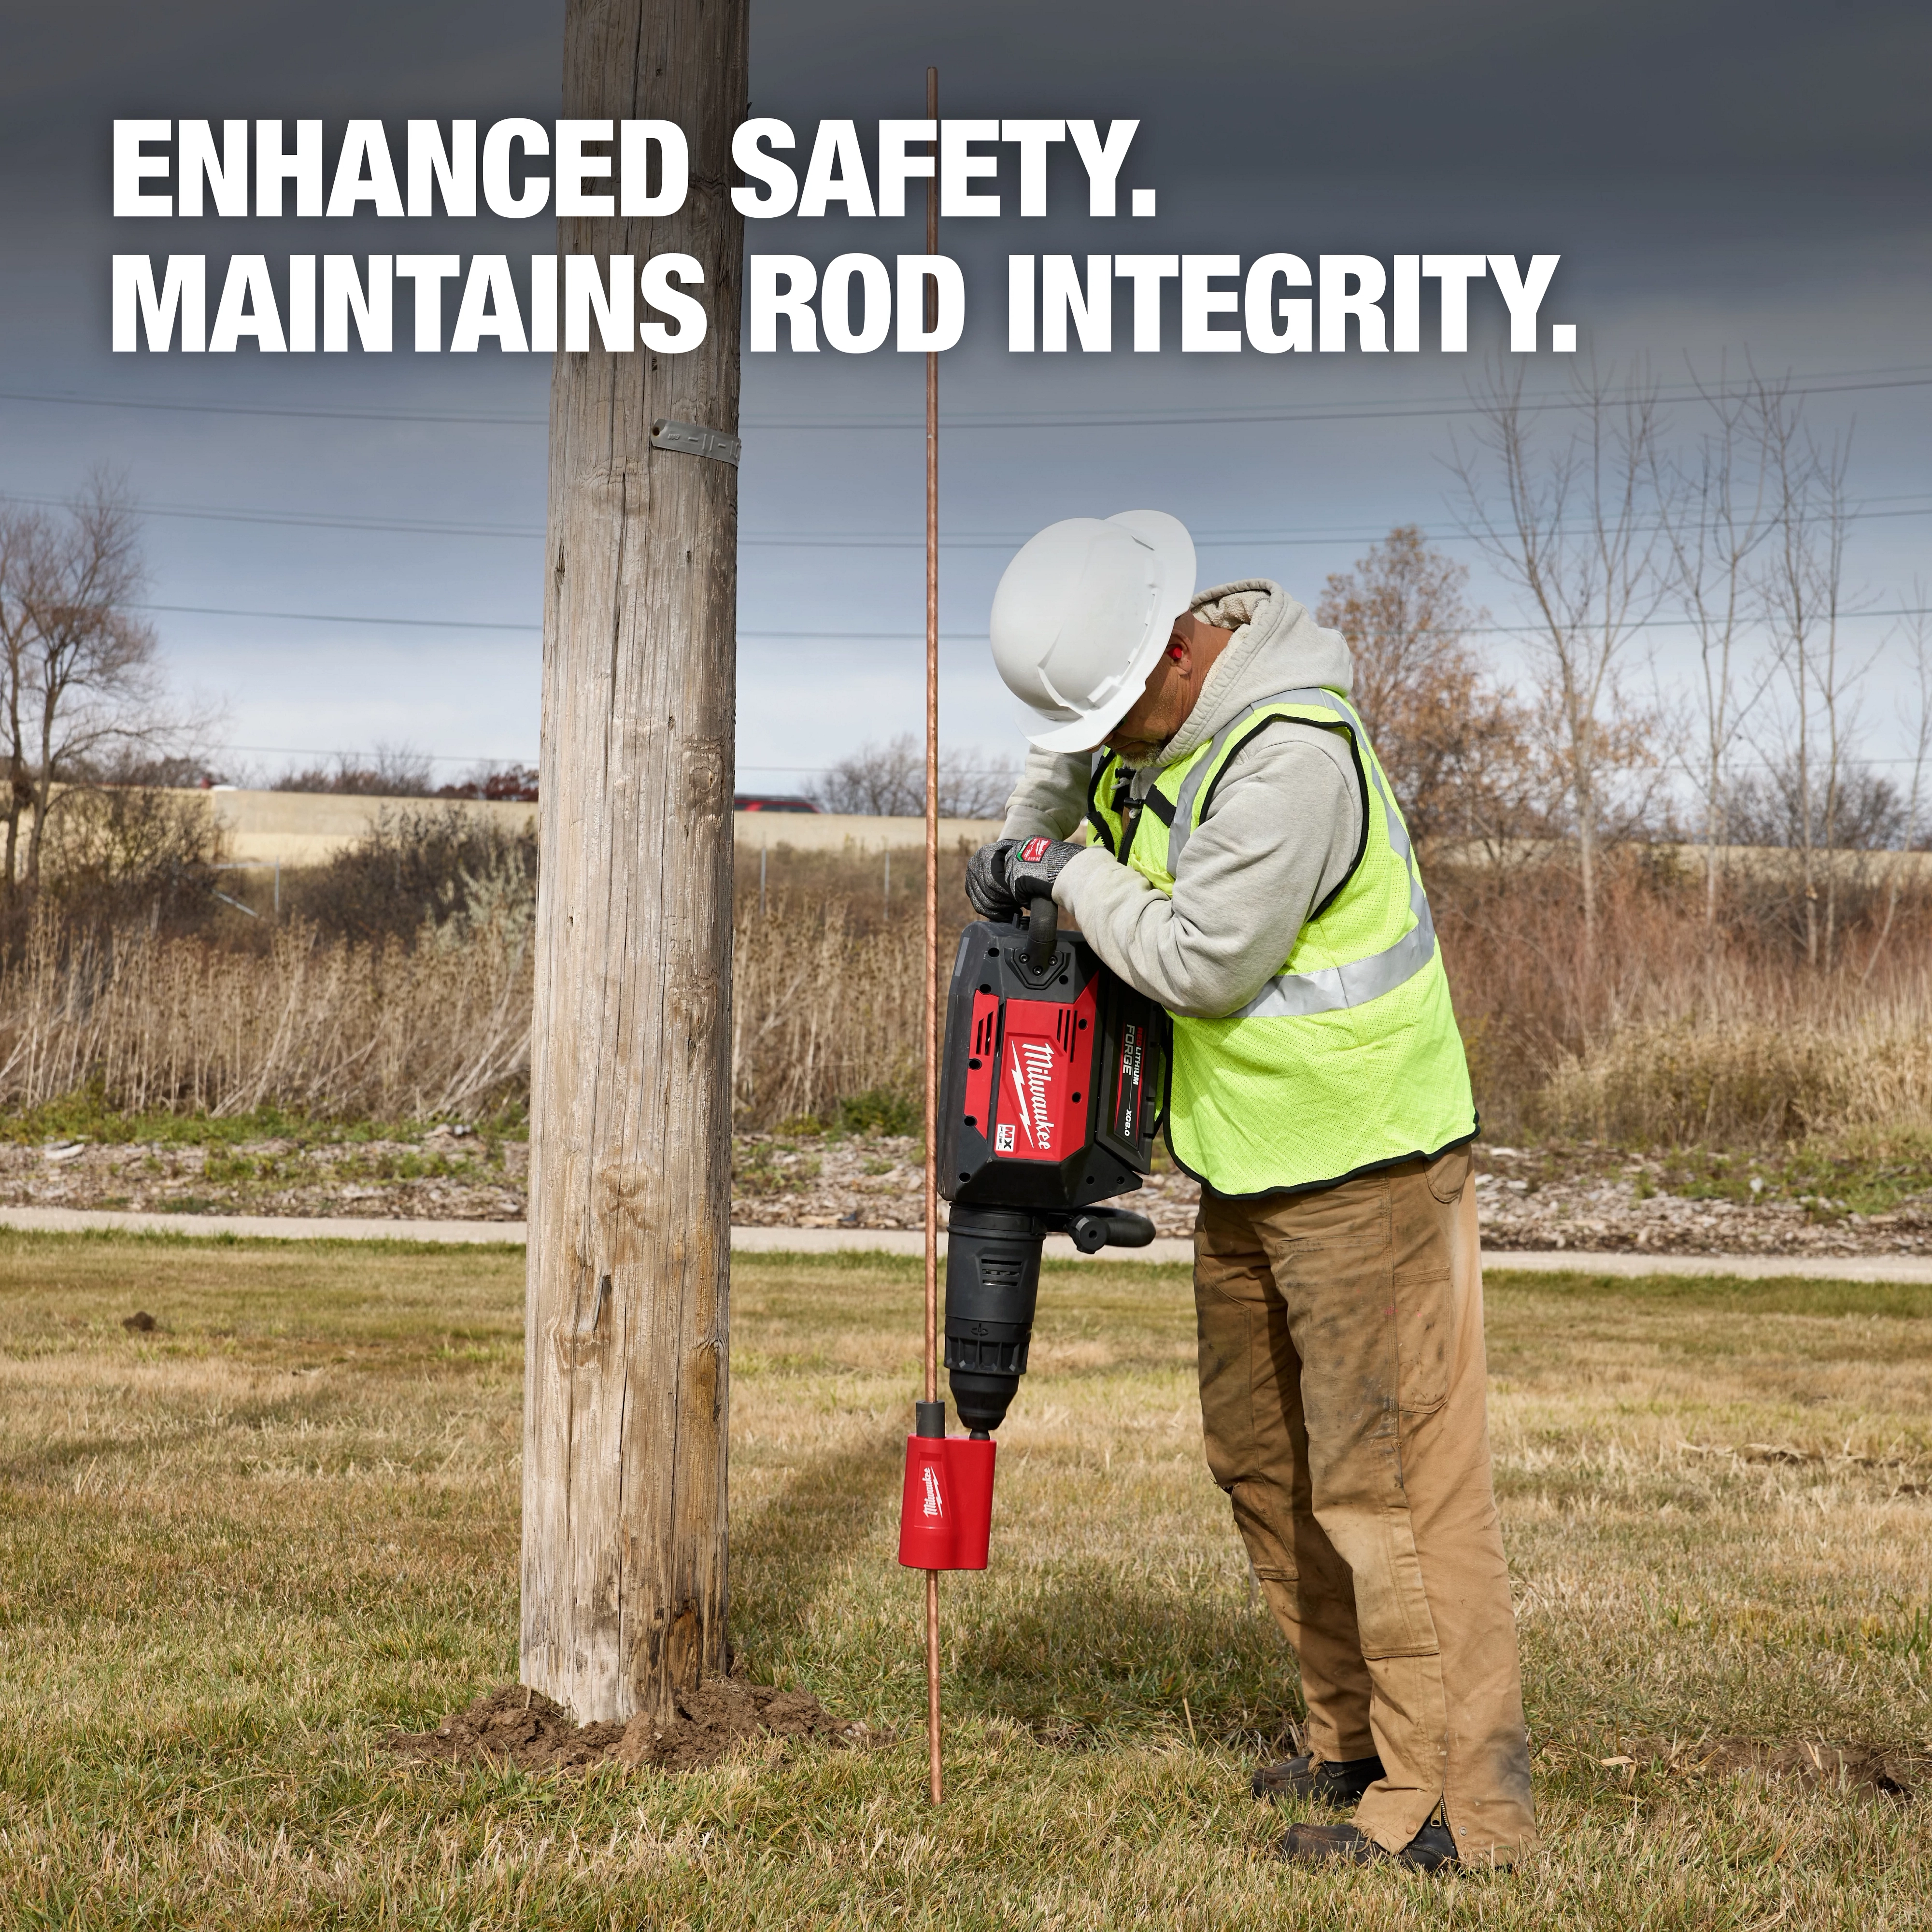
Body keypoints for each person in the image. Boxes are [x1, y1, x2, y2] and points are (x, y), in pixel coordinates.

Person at [966, 510, 1534, 1872]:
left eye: (1109, 720)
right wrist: (1031, 833)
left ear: (1175, 656)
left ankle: (1459, 1811)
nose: (1103, 751)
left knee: (1390, 1489)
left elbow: (1206, 960)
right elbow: (1068, 783)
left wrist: (1066, 869)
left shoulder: (1288, 755)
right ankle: (1357, 1741)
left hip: (1367, 1163)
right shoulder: (1155, 717)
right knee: (1265, 1461)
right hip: (1249, 1159)